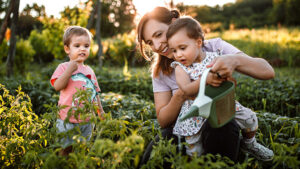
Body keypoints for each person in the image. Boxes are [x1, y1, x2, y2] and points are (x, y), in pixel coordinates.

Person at [137, 7, 275, 165]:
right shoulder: (161, 72)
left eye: (158, 35)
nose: (157, 46)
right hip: (184, 127)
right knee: (156, 151)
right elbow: (163, 121)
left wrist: (234, 60)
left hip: (217, 119)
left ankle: (241, 149)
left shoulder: (214, 48)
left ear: (174, 23)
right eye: (149, 42)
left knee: (223, 126)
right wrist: (182, 94)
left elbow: (267, 71)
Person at [50, 26, 105, 156]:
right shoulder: (63, 67)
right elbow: (57, 86)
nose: (82, 49)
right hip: (66, 119)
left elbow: (94, 93)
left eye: (86, 46)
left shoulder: (89, 71)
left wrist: (100, 110)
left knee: (82, 149)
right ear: (67, 49)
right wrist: (70, 70)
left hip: (87, 120)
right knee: (65, 149)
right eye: (77, 45)